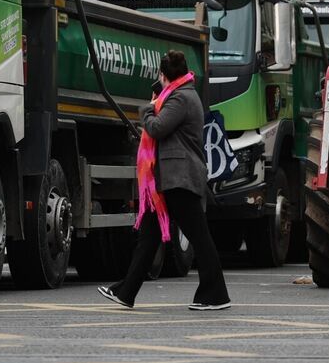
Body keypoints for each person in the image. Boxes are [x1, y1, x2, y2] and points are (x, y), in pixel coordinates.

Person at [98, 50, 231, 311]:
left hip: (179, 179)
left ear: (164, 75)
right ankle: (126, 291)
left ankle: (215, 294)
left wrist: (148, 107)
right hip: (168, 181)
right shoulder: (181, 95)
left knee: (199, 237)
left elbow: (157, 127)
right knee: (148, 239)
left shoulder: (181, 98)